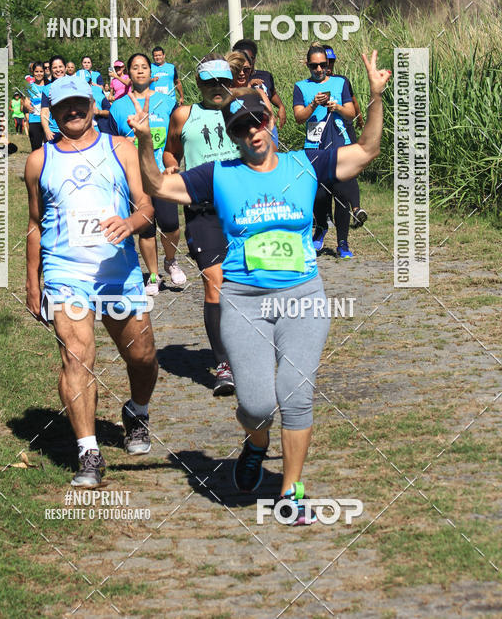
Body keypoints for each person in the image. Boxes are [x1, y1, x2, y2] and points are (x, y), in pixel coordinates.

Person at [127, 52, 390, 523]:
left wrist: (374, 96)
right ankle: (255, 440)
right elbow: (157, 186)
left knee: (296, 394)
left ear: (271, 119)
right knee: (255, 403)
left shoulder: (305, 164)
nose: (252, 131)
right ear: (231, 134)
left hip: (303, 297)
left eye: (258, 120)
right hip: (244, 299)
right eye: (241, 126)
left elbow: (367, 149)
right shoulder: (218, 175)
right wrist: (146, 141)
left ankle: (291, 490)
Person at [25, 75, 158, 488]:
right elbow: (34, 224)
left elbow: (147, 206)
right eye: (64, 106)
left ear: (91, 103)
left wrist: (132, 222)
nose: (73, 111)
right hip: (66, 274)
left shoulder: (120, 148)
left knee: (142, 356)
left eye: (79, 102)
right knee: (77, 355)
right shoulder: (39, 161)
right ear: (53, 112)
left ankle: (136, 410)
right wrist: (33, 283)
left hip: (117, 272)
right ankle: (89, 452)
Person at [164, 56, 240, 396]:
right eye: (210, 83)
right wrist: (170, 168)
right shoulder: (184, 114)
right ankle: (223, 365)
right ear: (199, 85)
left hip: (244, 208)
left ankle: (251, 347)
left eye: (222, 82)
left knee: (249, 281)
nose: (217, 89)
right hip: (202, 210)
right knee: (215, 282)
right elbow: (171, 151)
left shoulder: (243, 109)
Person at [109, 53, 187, 295]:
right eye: (135, 67)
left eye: (144, 67)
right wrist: (126, 141)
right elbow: (111, 143)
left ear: (151, 73)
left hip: (162, 175)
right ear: (128, 74)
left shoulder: (166, 102)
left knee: (171, 224)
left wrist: (173, 163)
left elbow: (176, 137)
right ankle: (153, 275)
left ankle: (170, 260)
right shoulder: (118, 107)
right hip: (135, 177)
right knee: (146, 227)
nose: (140, 71)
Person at [293, 44, 357, 258]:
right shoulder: (301, 86)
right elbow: (299, 117)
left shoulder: (340, 82)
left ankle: (343, 243)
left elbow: (351, 113)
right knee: (319, 194)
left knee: (340, 194)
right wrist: (313, 104)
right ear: (308, 65)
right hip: (314, 147)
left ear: (328, 64)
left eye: (323, 65)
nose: (319, 69)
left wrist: (336, 107)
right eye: (314, 66)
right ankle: (320, 227)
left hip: (340, 145)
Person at [325, 46, 367, 229]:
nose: (328, 65)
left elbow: (353, 100)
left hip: (345, 129)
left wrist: (359, 118)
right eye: (325, 62)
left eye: (331, 61)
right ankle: (326, 215)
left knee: (350, 169)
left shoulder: (342, 81)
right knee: (328, 172)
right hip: (325, 134)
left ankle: (356, 209)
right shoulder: (312, 83)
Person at [233, 38, 287, 129]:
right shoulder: (237, 78)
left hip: (266, 125)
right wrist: (249, 84)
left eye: (251, 58)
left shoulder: (265, 76)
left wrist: (281, 107)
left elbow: (272, 93)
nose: (247, 60)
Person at [41, 55, 67, 142]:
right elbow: (44, 111)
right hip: (54, 132)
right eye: (55, 67)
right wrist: (47, 130)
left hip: (73, 131)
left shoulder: (74, 84)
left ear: (65, 68)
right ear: (51, 70)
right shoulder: (47, 89)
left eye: (60, 66)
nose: (58, 70)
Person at [23, 62, 47, 151]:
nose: (39, 74)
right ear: (33, 72)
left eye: (41, 71)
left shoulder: (49, 85)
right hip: (35, 120)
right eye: (36, 71)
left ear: (44, 72)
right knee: (36, 149)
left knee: (48, 149)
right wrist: (26, 105)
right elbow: (26, 101)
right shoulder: (29, 86)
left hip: (48, 121)